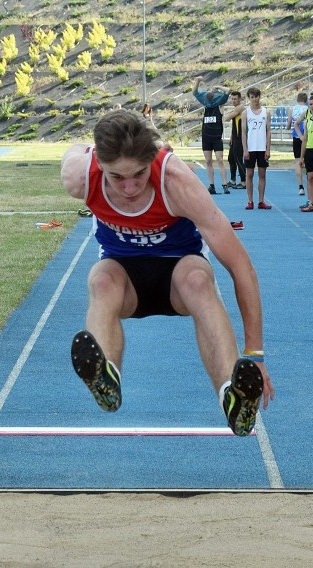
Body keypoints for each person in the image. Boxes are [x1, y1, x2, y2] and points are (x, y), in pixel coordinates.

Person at [60, 109, 274, 437]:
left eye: (139, 174)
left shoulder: (176, 182)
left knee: (199, 279)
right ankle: (107, 379)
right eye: (117, 177)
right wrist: (82, 149)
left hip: (179, 272)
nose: (130, 188)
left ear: (155, 159)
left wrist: (255, 353)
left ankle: (233, 397)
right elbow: (75, 150)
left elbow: (240, 266)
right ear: (100, 164)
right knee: (100, 277)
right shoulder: (79, 176)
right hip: (124, 277)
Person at [192, 76, 230, 194]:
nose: (212, 94)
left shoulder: (220, 105)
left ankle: (225, 184)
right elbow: (195, 92)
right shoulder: (206, 104)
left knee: (220, 160)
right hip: (206, 136)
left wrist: (218, 87)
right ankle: (211, 185)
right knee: (208, 161)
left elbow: (228, 90)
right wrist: (197, 81)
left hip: (216, 137)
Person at [239, 86, 272, 209]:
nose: (254, 99)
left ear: (259, 97)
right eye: (252, 97)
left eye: (256, 96)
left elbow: (268, 131)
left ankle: (261, 201)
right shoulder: (245, 113)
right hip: (250, 147)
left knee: (262, 174)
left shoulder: (266, 112)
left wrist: (268, 148)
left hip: (262, 147)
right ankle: (250, 201)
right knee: (249, 174)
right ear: (249, 98)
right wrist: (245, 149)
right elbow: (243, 132)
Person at [222, 90, 246, 190]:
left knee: (238, 158)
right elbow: (234, 125)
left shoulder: (241, 107)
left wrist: (221, 117)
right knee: (231, 158)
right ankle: (232, 180)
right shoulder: (236, 108)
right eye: (232, 99)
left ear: (240, 99)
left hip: (240, 138)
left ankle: (244, 181)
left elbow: (228, 118)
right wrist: (231, 137)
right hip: (235, 137)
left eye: (235, 99)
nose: (233, 101)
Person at [288, 92, 308, 195]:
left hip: (296, 136)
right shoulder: (308, 109)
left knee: (298, 161)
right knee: (307, 161)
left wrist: (288, 127)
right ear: (306, 100)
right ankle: (310, 185)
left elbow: (288, 124)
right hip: (307, 137)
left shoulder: (292, 109)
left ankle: (301, 186)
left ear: (297, 99)